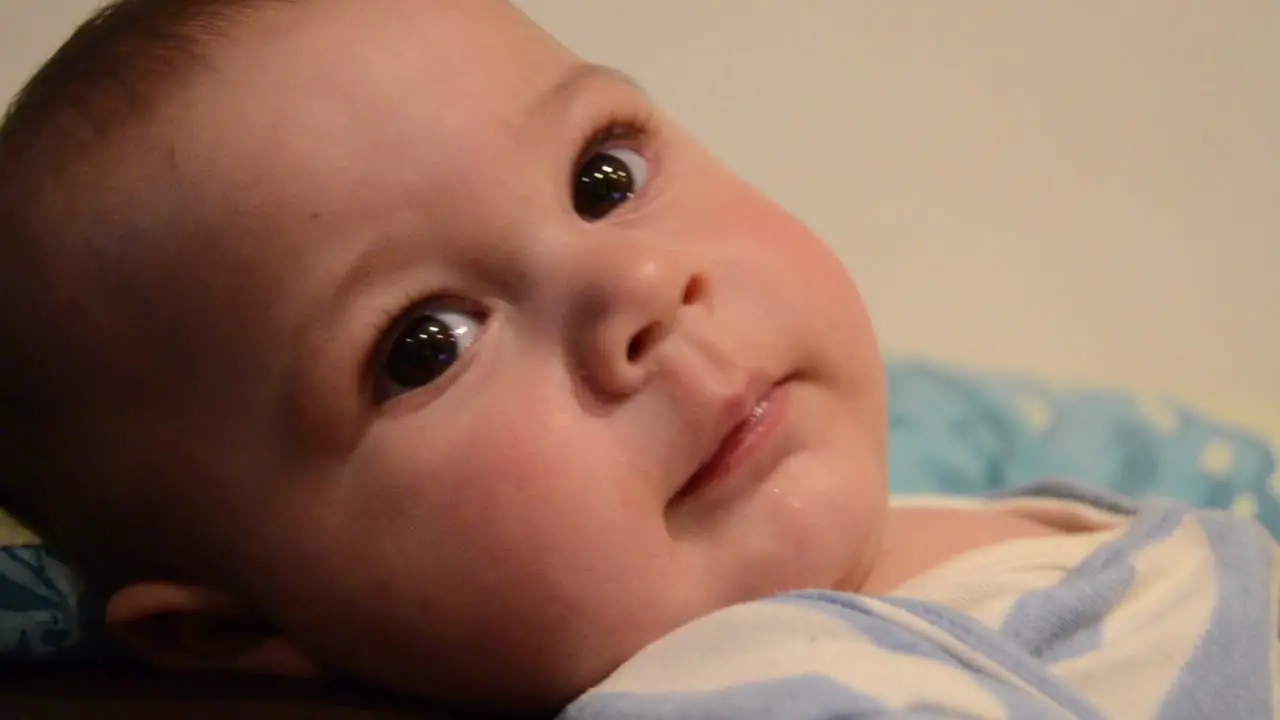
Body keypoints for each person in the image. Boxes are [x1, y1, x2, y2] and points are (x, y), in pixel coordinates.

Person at [0, 1, 1273, 717]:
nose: (639, 291)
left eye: (601, 177)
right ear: (237, 634)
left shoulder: (962, 495)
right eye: (424, 344)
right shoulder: (751, 691)